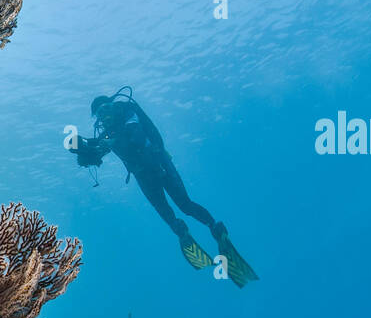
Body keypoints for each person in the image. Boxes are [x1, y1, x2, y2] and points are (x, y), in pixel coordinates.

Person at [69, 88, 258, 287]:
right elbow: (94, 151)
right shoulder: (107, 135)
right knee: (167, 215)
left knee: (185, 205)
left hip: (160, 166)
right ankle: (182, 232)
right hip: (143, 175)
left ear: (114, 107)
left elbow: (138, 137)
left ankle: (216, 229)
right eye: (100, 113)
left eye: (107, 109)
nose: (105, 115)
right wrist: (81, 149)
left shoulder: (129, 115)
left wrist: (112, 141)